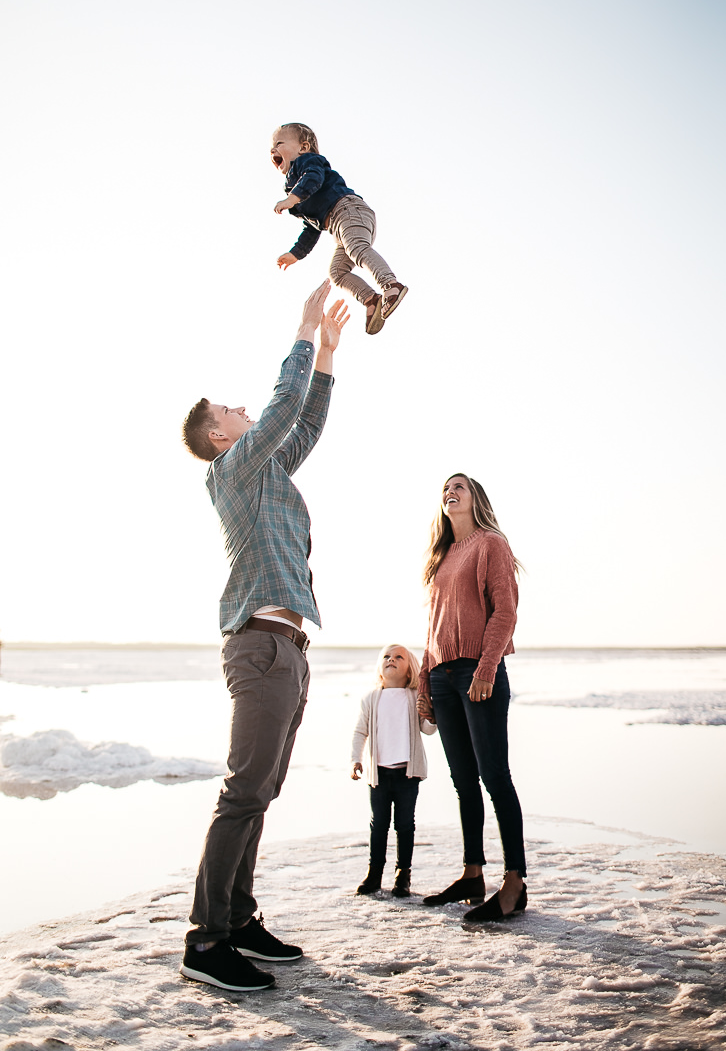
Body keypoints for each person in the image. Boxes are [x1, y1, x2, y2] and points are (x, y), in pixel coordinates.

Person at [179, 281, 349, 991]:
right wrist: (303, 330)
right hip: (257, 644)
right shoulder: (232, 468)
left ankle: (240, 919)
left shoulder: (264, 469)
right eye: (231, 410)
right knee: (242, 790)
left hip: (289, 648)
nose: (243, 411)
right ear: (220, 436)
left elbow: (299, 428)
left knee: (262, 790)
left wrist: (329, 359)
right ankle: (205, 940)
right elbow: (279, 413)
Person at [416, 474, 527, 923]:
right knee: (463, 780)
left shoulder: (490, 544)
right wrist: (425, 680)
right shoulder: (441, 557)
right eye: (445, 487)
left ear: (475, 497)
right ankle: (472, 873)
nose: (450, 491)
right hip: (442, 675)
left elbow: (506, 610)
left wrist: (485, 668)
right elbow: (434, 625)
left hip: (477, 671)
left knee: (494, 777)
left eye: (459, 486)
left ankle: (515, 883)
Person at [271, 122, 407, 336]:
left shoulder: (308, 162)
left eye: (279, 144)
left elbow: (313, 177)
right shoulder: (295, 188)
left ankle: (391, 285)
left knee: (356, 248)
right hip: (339, 227)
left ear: (303, 147)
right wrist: (295, 254)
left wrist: (293, 198)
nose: (273, 150)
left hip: (348, 210)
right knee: (337, 273)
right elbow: (312, 228)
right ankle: (372, 300)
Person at [350, 645, 437, 898]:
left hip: (407, 775)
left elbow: (428, 729)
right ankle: (374, 874)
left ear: (410, 667)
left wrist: (430, 714)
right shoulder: (371, 698)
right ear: (380, 666)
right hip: (378, 774)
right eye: (386, 656)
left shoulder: (414, 696)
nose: (391, 660)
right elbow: (360, 732)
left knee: (405, 825)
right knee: (378, 826)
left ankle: (403, 875)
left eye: (399, 657)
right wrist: (355, 759)